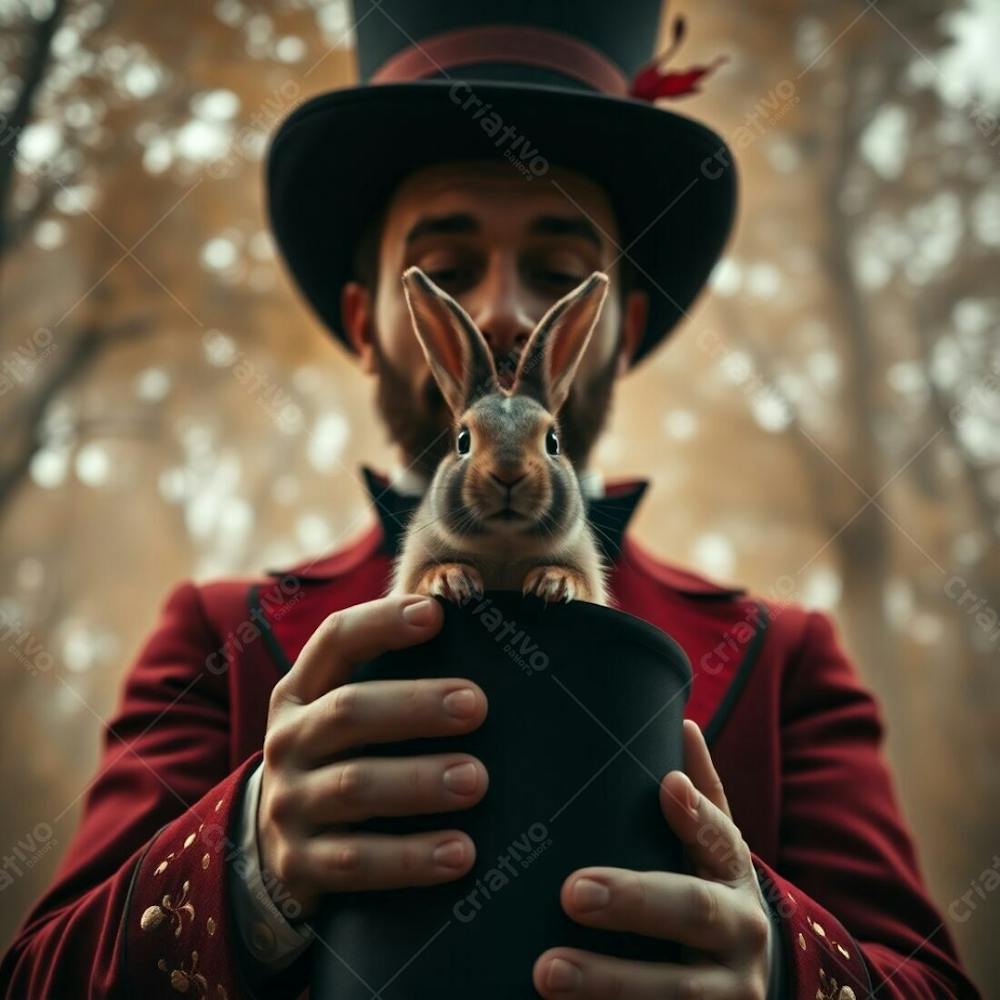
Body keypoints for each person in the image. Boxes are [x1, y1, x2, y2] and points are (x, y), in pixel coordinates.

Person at [1, 3, 982, 998]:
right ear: (372, 325)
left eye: (556, 271)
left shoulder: (784, 661)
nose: (504, 312)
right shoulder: (218, 637)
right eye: (448, 267)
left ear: (615, 327)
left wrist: (772, 957)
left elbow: (931, 982)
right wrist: (245, 858)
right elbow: (40, 976)